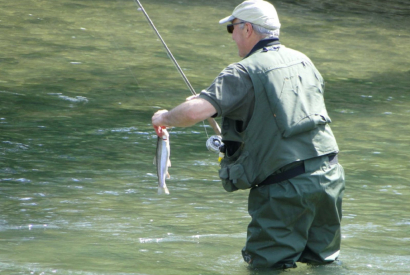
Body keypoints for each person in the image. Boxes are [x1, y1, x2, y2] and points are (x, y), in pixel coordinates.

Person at [152, 0, 345, 269]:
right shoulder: (304, 61)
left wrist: (164, 117)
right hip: (329, 178)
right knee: (324, 265)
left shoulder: (241, 71)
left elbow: (194, 112)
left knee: (266, 268)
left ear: (247, 29)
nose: (231, 35)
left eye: (231, 28)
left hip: (284, 188)